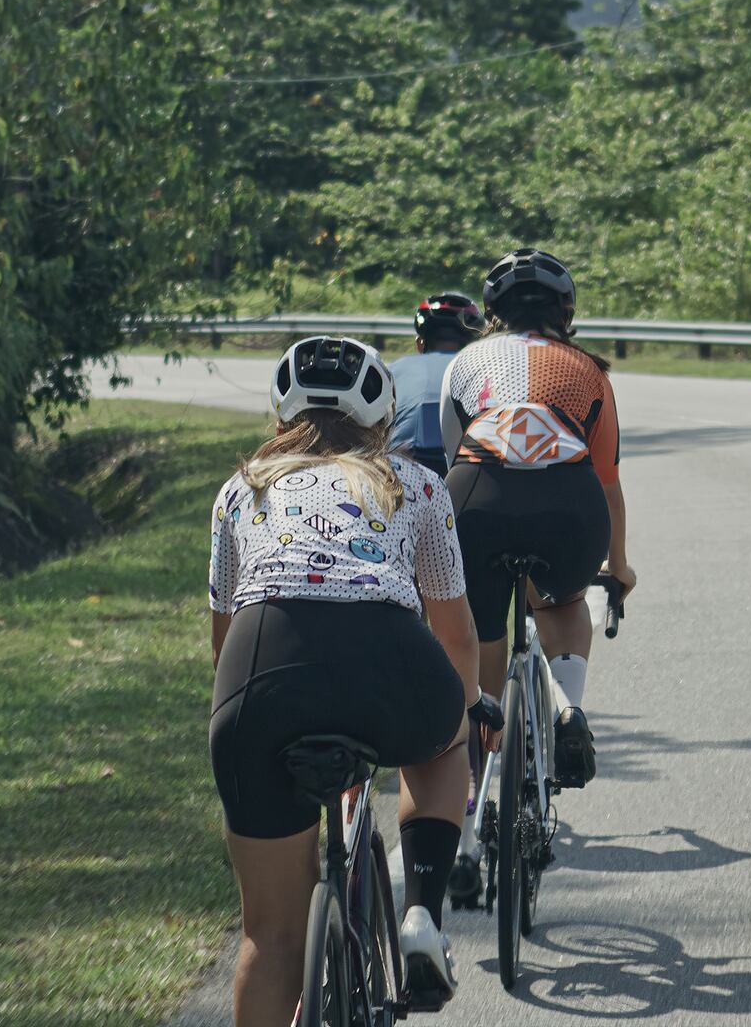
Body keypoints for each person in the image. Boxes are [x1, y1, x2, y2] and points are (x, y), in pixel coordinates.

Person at [206, 336, 499, 1025]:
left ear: (281, 412)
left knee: (268, 937)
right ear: (383, 415)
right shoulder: (416, 484)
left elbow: (224, 651)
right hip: (392, 666)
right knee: (445, 738)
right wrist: (472, 705)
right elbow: (457, 636)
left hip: (262, 674)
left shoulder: (240, 489)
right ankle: (422, 907)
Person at [440, 247, 637, 791]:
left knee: (481, 622)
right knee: (564, 599)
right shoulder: (591, 372)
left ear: (492, 311)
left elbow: (454, 456)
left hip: (477, 496)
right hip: (567, 505)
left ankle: (481, 760)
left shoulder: (463, 363)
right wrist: (617, 566)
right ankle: (569, 707)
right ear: (565, 313)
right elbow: (608, 482)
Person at [391, 292, 486, 474]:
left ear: (420, 344)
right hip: (465, 470)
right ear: (474, 345)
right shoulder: (485, 370)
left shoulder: (395, 369)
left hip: (402, 466)